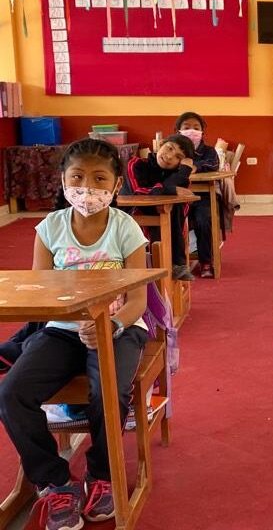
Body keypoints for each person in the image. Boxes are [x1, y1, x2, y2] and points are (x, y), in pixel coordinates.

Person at [0, 138, 149, 530]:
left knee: (108, 390)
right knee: (12, 392)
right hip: (63, 330)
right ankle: (54, 481)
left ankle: (102, 473)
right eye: (78, 178)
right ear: (64, 181)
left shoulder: (126, 228)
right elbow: (41, 293)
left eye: (99, 179)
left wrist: (110, 324)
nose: (87, 189)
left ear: (116, 185)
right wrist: (66, 316)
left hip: (118, 329)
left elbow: (138, 300)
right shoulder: (50, 228)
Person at [122, 134, 197, 281]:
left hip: (164, 217)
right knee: (164, 209)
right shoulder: (136, 164)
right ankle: (163, 265)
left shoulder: (179, 175)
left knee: (173, 207)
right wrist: (169, 189)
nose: (169, 156)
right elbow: (138, 192)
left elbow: (182, 201)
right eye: (169, 148)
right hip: (132, 215)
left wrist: (183, 172)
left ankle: (175, 265)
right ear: (160, 144)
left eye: (178, 157)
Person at [174, 112, 220, 278]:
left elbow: (213, 164)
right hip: (177, 197)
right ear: (178, 131)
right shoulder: (173, 149)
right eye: (186, 127)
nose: (191, 131)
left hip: (202, 197)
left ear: (202, 132)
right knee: (172, 220)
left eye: (196, 127)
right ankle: (177, 262)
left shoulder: (209, 151)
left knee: (203, 220)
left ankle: (206, 261)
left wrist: (194, 166)